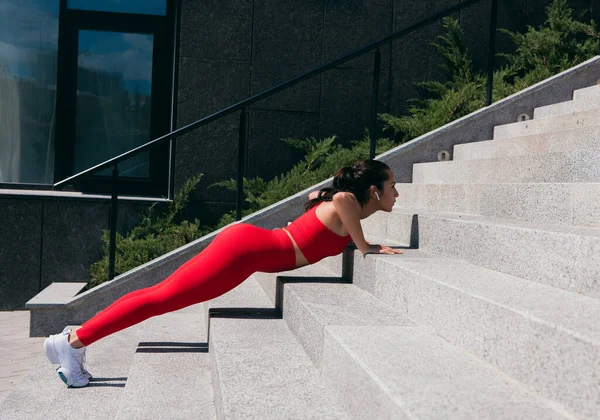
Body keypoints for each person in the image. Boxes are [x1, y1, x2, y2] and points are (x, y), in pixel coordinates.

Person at [44, 159, 403, 387]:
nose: (397, 194)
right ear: (373, 191)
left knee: (159, 293)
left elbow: (322, 196)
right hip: (244, 253)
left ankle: (75, 338)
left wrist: (355, 238)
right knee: (161, 298)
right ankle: (74, 341)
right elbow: (340, 200)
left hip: (247, 248)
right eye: (392, 187)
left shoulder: (349, 206)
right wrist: (365, 245)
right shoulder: (349, 202)